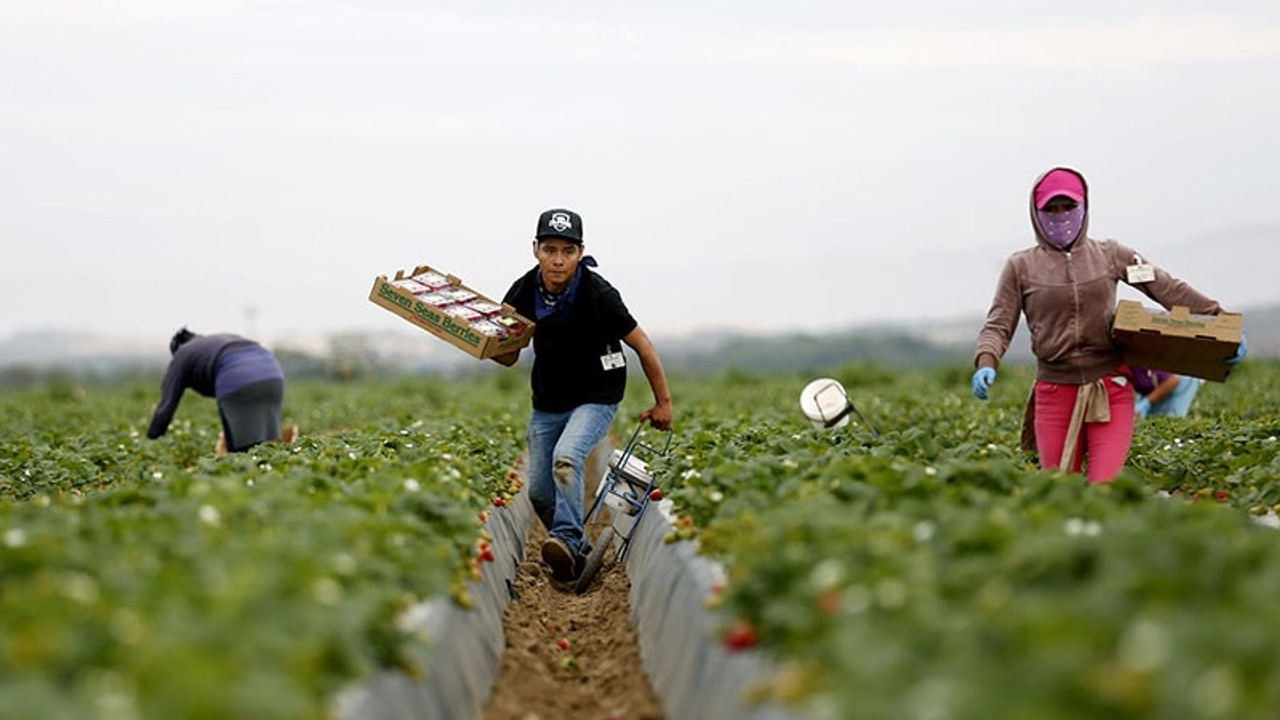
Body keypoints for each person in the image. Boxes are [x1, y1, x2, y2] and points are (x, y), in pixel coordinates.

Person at [971, 167, 1245, 482]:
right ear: (1036, 212)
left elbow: (1166, 287)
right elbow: (998, 323)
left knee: (1105, 486)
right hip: (1054, 392)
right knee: (1060, 490)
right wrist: (986, 360)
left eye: (1069, 206)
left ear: (1085, 207)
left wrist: (1219, 319)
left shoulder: (1111, 255)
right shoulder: (1021, 267)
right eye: (1051, 208)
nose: (1061, 216)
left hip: (1110, 389)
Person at [492, 208, 674, 582]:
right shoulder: (523, 291)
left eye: (567, 251)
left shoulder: (599, 293)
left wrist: (664, 402)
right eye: (550, 249)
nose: (558, 260)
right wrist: (493, 337)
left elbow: (643, 345)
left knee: (567, 457)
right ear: (535, 250)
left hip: (597, 394)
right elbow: (509, 358)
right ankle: (575, 552)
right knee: (540, 493)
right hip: (549, 400)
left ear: (580, 252)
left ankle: (565, 537)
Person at [147, 328, 289, 453]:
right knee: (268, 444)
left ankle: (245, 479)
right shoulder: (214, 342)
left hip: (238, 378)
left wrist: (152, 441)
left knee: (239, 450)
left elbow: (166, 406)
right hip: (273, 375)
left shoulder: (183, 353)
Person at [1129, 366, 1201, 419]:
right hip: (1152, 388)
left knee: (1171, 420)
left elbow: (1174, 379)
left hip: (1178, 384)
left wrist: (1145, 403)